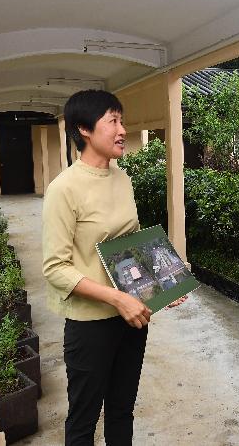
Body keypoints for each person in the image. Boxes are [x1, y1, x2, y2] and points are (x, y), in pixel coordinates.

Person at [41, 89, 153, 446]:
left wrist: (163, 277)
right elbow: (56, 268)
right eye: (113, 121)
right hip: (91, 325)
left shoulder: (122, 179)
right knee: (83, 419)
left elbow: (130, 242)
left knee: (122, 410)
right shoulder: (64, 189)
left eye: (122, 120)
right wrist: (117, 299)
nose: (122, 129)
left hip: (132, 317)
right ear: (84, 129)